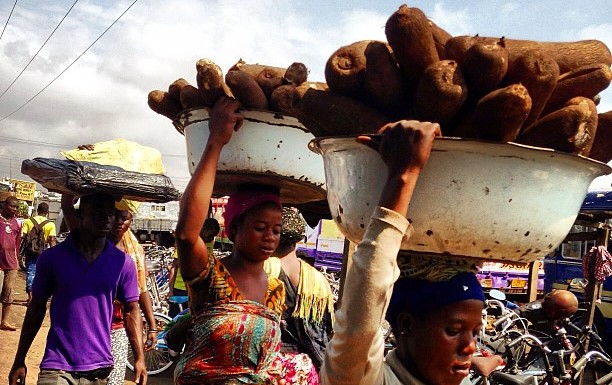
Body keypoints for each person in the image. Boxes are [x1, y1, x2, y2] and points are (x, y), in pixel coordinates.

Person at [319, 120, 493, 385]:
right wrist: (404, 175)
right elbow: (360, 322)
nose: (470, 347)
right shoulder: (365, 378)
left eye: (475, 333)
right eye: (454, 330)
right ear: (407, 325)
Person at [173, 97, 290, 384]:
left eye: (276, 229)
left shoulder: (276, 290)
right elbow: (187, 235)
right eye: (260, 227)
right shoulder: (212, 275)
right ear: (234, 229)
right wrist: (215, 141)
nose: (270, 237)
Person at [8, 193, 147, 385]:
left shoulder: (123, 263)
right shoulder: (52, 258)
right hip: (57, 366)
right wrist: (19, 359)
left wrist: (140, 358)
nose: (106, 218)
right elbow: (36, 308)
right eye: (97, 212)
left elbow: (132, 310)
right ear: (80, 215)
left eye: (110, 213)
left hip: (100, 368)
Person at [60, 195, 158, 385]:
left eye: (125, 218)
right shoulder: (91, 242)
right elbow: (70, 214)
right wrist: (68, 197)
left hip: (118, 325)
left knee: (114, 380)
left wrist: (152, 326)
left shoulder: (134, 251)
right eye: (116, 216)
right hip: (87, 324)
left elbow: (140, 291)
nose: (120, 222)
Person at [264, 207, 335, 371]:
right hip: (304, 369)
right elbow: (322, 332)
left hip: (267, 365)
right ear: (299, 240)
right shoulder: (318, 281)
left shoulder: (262, 271)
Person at [167, 218, 219, 318]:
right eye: (210, 234)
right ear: (203, 229)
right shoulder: (189, 242)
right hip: (180, 288)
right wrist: (171, 290)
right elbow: (174, 267)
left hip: (198, 289)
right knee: (176, 318)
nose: (211, 238)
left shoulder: (209, 244)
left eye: (213, 236)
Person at [21, 202, 57, 304]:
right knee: (41, 273)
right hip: (43, 252)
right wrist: (54, 255)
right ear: (47, 212)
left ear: (37, 210)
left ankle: (30, 296)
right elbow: (52, 240)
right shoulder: (50, 224)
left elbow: (23, 236)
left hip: (30, 251)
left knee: (30, 272)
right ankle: (38, 296)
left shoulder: (28, 221)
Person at [515, 289, 579, 334]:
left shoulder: (565, 320)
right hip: (539, 341)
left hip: (556, 340)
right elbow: (517, 313)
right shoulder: (535, 309)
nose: (551, 314)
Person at [0, 196, 21, 331]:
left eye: (16, 207)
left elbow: (17, 243)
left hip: (11, 262)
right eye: (12, 206)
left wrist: (16, 259)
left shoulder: (18, 223)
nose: (14, 209)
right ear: (4, 205)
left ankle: (4, 321)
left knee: (8, 292)